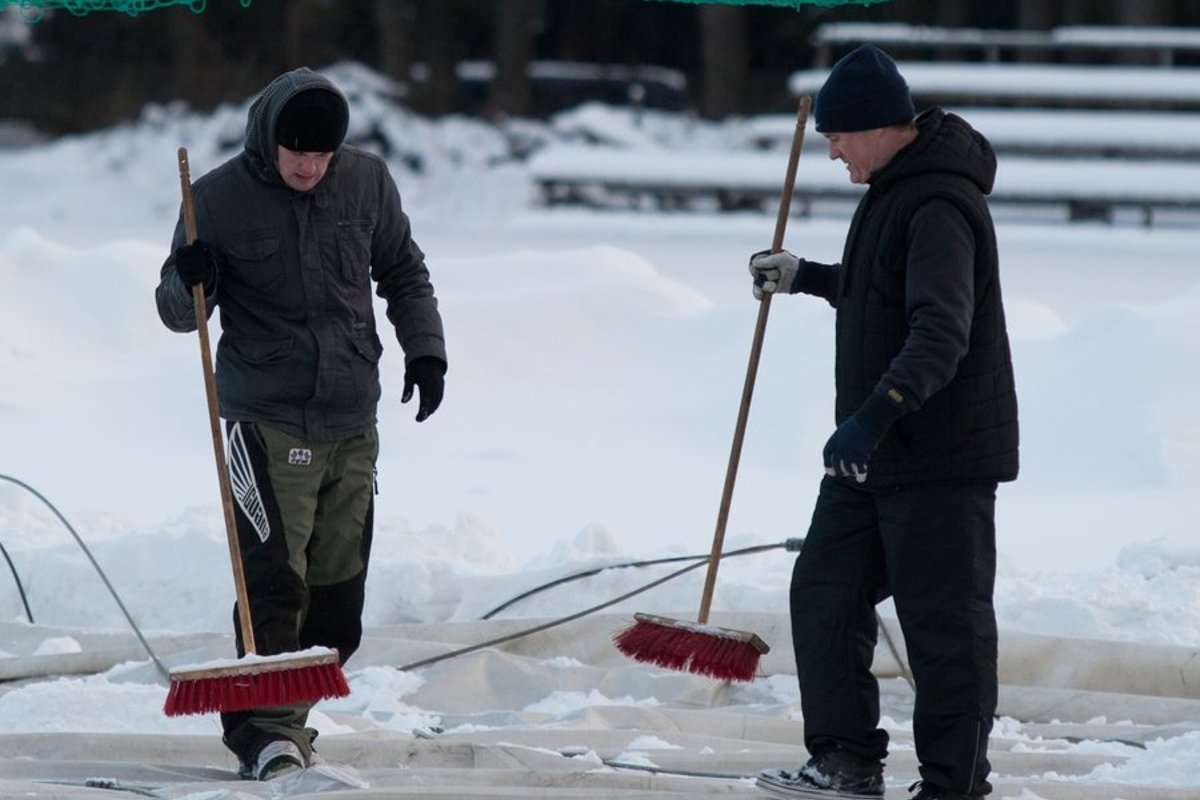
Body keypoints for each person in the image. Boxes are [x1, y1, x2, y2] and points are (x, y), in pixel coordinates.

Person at [155, 67, 447, 781]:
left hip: (352, 413)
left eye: (322, 157)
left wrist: (427, 350)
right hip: (267, 416)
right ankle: (264, 737)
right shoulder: (216, 198)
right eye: (298, 156)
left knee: (338, 603)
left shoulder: (366, 182)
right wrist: (189, 278)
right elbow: (174, 311)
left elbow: (403, 270)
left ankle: (288, 721)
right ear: (271, 140)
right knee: (274, 587)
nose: (310, 168)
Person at [750, 45, 1018, 800]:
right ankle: (844, 760)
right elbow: (882, 293)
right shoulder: (893, 191)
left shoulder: (939, 204)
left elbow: (941, 331)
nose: (830, 148)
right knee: (825, 591)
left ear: (877, 126)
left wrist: (872, 419)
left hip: (938, 455)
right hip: (877, 456)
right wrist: (810, 279)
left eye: (838, 135)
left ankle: (954, 784)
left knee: (945, 629)